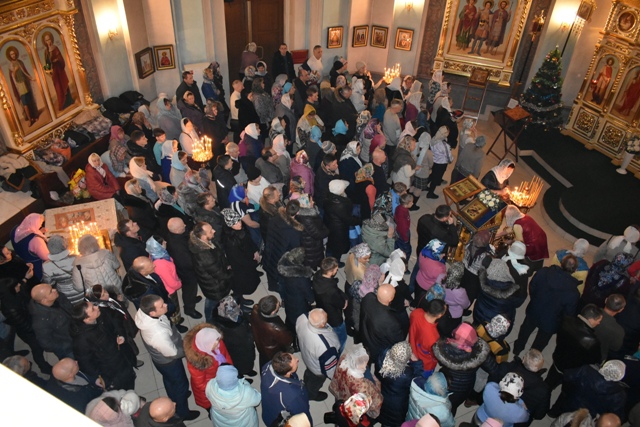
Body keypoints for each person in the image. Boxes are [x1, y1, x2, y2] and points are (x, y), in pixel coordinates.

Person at [135, 295, 200, 421]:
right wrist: (188, 350)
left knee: (170, 380)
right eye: (162, 306)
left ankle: (173, 396)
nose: (166, 305)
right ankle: (182, 412)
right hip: (169, 362)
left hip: (160, 360)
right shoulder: (158, 334)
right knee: (180, 384)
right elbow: (172, 353)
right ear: (152, 313)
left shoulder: (144, 313)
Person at [512, 254, 580, 355]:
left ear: (561, 263)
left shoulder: (543, 272)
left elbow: (532, 286)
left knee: (524, 332)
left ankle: (517, 350)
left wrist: (535, 300)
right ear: (575, 270)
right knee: (540, 343)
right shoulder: (574, 293)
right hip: (551, 321)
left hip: (534, 310)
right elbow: (568, 314)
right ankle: (531, 359)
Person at [70, 301, 137, 390]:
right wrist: (106, 379)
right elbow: (86, 364)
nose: (97, 307)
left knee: (130, 380)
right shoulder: (81, 341)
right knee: (124, 389)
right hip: (113, 372)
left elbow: (116, 321)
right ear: (86, 319)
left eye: (94, 305)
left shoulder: (101, 314)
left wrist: (121, 335)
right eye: (93, 309)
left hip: (123, 359)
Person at [432, 322, 495, 415]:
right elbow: (493, 369)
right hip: (465, 385)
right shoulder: (479, 352)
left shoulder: (444, 347)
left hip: (446, 379)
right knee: (453, 406)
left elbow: (441, 362)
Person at [545, 304, 604, 391]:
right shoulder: (592, 341)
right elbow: (594, 360)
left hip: (558, 359)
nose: (599, 323)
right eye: (598, 320)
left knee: (549, 382)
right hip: (572, 370)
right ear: (591, 319)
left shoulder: (566, 320)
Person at [0, 277, 52, 374]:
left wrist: (25, 279)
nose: (19, 285)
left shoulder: (14, 295)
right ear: (11, 289)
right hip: (28, 332)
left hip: (29, 325)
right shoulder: (10, 308)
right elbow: (24, 325)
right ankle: (43, 367)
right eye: (16, 285)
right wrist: (38, 328)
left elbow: (23, 291)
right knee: (37, 348)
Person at [488, 349, 551, 424]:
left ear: (523, 359)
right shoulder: (543, 391)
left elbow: (491, 382)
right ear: (539, 368)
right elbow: (539, 415)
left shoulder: (505, 367)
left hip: (491, 408)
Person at [188, 222, 232, 323]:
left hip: (213, 282)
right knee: (212, 303)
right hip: (215, 286)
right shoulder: (204, 256)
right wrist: (231, 272)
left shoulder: (202, 242)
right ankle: (209, 321)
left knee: (213, 301)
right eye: (210, 231)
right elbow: (220, 275)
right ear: (203, 237)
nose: (214, 231)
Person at [183, 324, 232, 411]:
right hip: (209, 389)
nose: (218, 345)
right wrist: (219, 386)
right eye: (214, 344)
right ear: (206, 344)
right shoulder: (198, 361)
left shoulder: (215, 340)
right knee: (212, 408)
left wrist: (231, 370)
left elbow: (226, 356)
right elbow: (200, 384)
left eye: (218, 341)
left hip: (221, 380)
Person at [329, 344, 384, 421]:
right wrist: (377, 382)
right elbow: (376, 401)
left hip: (341, 393)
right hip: (353, 406)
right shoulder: (362, 385)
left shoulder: (344, 359)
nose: (366, 366)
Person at [376, 341, 424, 427]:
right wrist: (417, 362)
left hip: (383, 394)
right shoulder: (406, 375)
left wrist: (398, 351)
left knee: (384, 416)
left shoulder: (382, 358)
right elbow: (417, 379)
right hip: (397, 405)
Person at [296, 308, 340, 401]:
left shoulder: (302, 318)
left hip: (307, 356)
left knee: (308, 374)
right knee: (314, 382)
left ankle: (306, 383)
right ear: (322, 324)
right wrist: (336, 378)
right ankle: (311, 395)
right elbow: (330, 370)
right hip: (317, 369)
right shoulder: (326, 347)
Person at [210, 295, 256, 380]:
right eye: (238, 305)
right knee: (241, 363)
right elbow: (248, 339)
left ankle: (247, 371)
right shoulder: (236, 328)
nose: (239, 306)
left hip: (232, 347)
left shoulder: (221, 316)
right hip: (239, 349)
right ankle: (241, 376)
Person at [220, 208, 260, 303]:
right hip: (240, 265)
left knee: (251, 276)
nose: (239, 224)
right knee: (241, 283)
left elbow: (249, 240)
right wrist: (253, 263)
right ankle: (239, 299)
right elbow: (238, 259)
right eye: (235, 223)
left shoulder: (241, 229)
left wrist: (255, 251)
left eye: (239, 220)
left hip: (248, 259)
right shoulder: (230, 240)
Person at [165, 218, 202, 319]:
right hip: (187, 272)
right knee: (189, 289)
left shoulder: (173, 234)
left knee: (191, 289)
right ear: (176, 230)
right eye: (182, 226)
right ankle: (189, 309)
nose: (185, 225)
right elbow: (187, 263)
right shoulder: (178, 247)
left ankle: (192, 299)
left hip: (183, 268)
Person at [261, 351, 312, 426]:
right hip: (278, 421)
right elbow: (302, 416)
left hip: (268, 413)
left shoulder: (268, 365)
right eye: (295, 362)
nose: (297, 359)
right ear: (288, 373)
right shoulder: (292, 395)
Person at [360, 284, 404, 362]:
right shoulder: (391, 322)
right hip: (376, 348)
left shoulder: (368, 297)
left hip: (364, 336)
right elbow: (398, 340)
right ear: (390, 299)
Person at [29, 283, 74, 360]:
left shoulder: (58, 296)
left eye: (52, 288)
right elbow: (46, 344)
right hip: (68, 349)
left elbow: (70, 309)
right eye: (50, 291)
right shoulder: (41, 321)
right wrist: (67, 345)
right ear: (44, 300)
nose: (55, 290)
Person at [312, 257, 348, 352]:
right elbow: (342, 304)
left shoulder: (317, 275)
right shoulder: (331, 291)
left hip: (322, 309)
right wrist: (345, 301)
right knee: (342, 337)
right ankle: (338, 352)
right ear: (330, 272)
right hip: (334, 318)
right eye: (336, 269)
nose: (337, 270)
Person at [250, 295, 294, 367]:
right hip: (272, 352)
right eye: (278, 305)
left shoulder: (255, 309)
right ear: (273, 312)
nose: (279, 303)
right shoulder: (277, 329)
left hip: (260, 344)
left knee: (263, 361)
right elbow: (288, 340)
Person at [278, 247, 315, 331]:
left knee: (289, 316)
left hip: (288, 297)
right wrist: (311, 299)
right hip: (298, 303)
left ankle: (289, 328)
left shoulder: (283, 266)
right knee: (298, 320)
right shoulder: (301, 278)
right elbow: (308, 293)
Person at [502, 205, 549, 271]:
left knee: (529, 258)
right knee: (539, 253)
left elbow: (520, 243)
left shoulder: (517, 225)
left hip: (533, 245)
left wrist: (510, 242)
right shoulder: (524, 216)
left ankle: (528, 269)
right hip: (541, 237)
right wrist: (498, 235)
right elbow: (510, 229)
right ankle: (538, 268)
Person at [324, 179, 361, 263]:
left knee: (330, 244)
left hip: (329, 224)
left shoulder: (327, 198)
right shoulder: (343, 204)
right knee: (338, 247)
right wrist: (358, 220)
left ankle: (328, 258)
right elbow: (348, 219)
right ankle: (336, 262)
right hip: (339, 229)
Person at [42, 235, 82, 305]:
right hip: (81, 292)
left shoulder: (46, 266)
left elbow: (49, 284)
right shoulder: (76, 258)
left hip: (65, 296)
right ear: (64, 246)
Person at [410, 299, 446, 375]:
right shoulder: (434, 337)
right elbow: (434, 355)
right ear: (439, 315)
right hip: (425, 364)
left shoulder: (416, 312)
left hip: (412, 349)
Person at [6, 46, 39, 125]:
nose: (13, 55)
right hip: (20, 86)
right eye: (11, 54)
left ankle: (34, 116)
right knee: (25, 103)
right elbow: (13, 77)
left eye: (14, 54)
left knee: (29, 101)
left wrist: (31, 78)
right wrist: (15, 70)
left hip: (25, 83)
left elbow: (25, 72)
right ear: (10, 56)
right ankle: (30, 119)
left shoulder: (20, 62)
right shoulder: (11, 65)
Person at [11, 213, 48, 280]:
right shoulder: (36, 240)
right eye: (39, 224)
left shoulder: (15, 230)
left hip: (24, 262)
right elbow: (46, 257)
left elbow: (24, 236)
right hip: (37, 267)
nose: (40, 226)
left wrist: (38, 231)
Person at [594, 294, 626, 360]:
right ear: (621, 310)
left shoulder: (590, 311)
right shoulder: (619, 331)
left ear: (606, 300)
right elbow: (615, 348)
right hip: (597, 357)